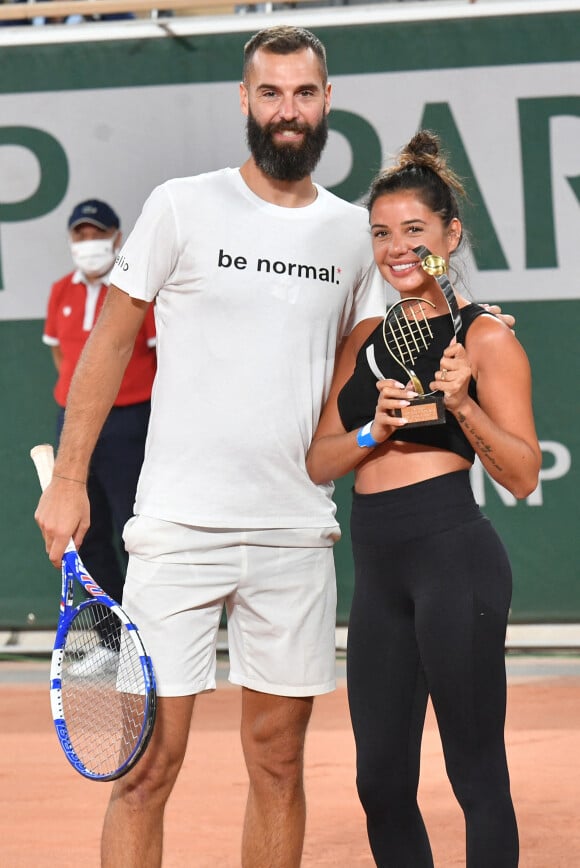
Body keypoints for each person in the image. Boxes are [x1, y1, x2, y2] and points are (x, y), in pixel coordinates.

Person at [34, 28, 515, 868]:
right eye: (270, 93)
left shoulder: (348, 234)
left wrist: (478, 317)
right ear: (245, 101)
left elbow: (400, 310)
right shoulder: (182, 205)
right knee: (146, 770)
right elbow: (108, 346)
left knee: (279, 766)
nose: (286, 111)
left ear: (326, 103)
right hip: (177, 530)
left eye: (302, 94)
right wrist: (69, 477)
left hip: (294, 537)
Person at [306, 130, 541, 867]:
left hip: (454, 561)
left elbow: (523, 473)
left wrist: (464, 406)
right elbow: (319, 461)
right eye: (381, 233)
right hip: (378, 575)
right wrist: (371, 433)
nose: (396, 248)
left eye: (414, 231)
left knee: (475, 774)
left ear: (450, 235)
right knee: (379, 781)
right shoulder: (365, 335)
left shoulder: (486, 337)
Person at [42, 198, 156, 674]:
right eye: (80, 235)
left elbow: (159, 357)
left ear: (117, 237)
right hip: (76, 425)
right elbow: (61, 362)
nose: (89, 243)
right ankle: (113, 642)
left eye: (98, 234)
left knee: (137, 534)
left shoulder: (136, 290)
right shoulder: (59, 292)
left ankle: (146, 638)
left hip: (132, 420)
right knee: (85, 535)